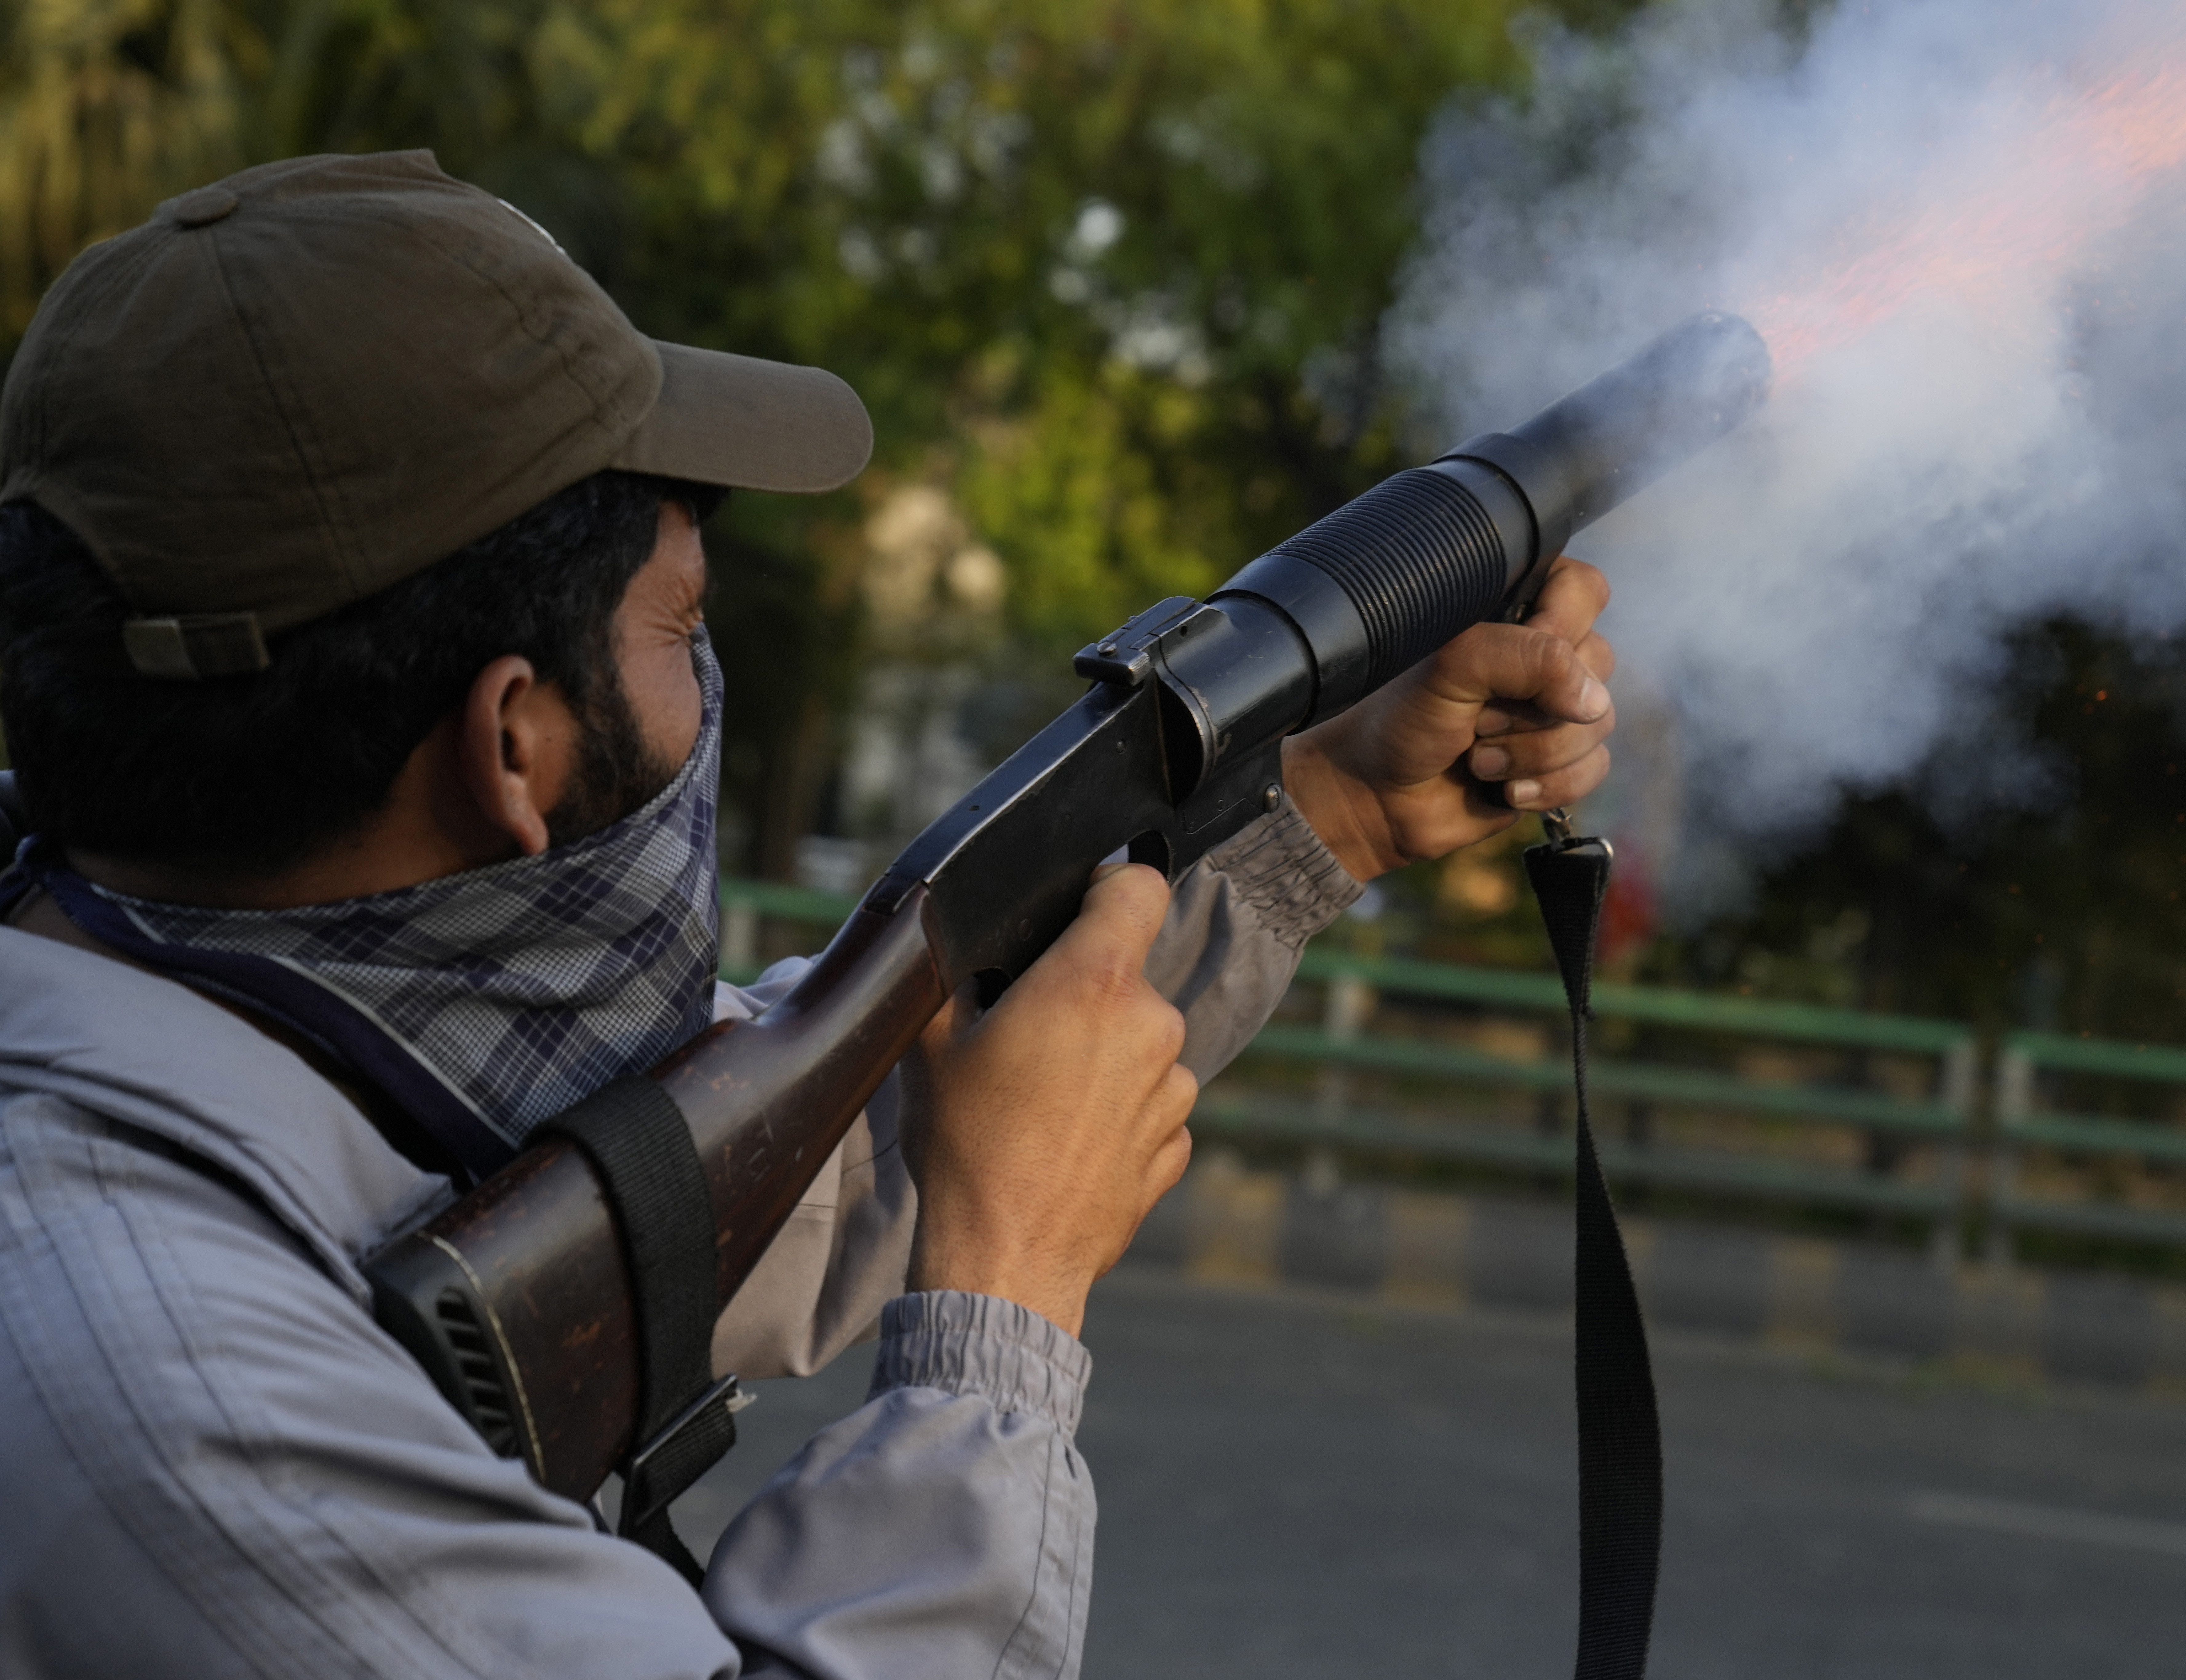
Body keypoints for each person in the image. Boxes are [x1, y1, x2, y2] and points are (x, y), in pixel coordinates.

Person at [0, 150, 1621, 1678]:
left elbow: (737, 1174)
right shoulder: (164, 1358)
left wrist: (1325, 806)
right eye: (678, 620)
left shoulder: (254, 1007)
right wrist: (999, 1306)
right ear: (515, 740)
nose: (709, 676)